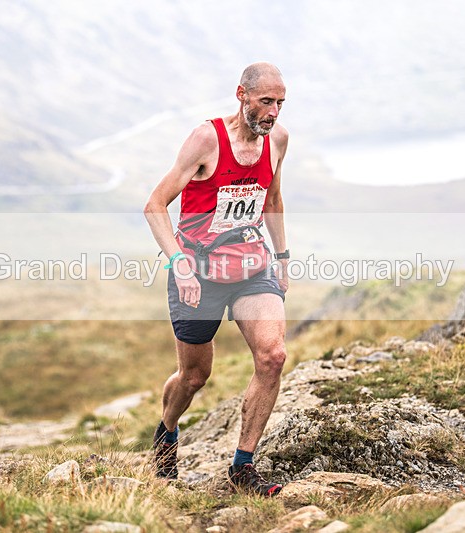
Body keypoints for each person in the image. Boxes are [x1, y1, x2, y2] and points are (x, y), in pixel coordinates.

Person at [143, 62, 290, 497]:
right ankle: (166, 431)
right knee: (193, 377)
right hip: (199, 271)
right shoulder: (207, 139)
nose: (273, 113)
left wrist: (281, 258)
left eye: (281, 103)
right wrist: (178, 264)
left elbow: (273, 198)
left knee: (273, 356)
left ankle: (243, 466)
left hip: (250, 266)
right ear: (241, 95)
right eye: (266, 102)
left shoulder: (278, 140)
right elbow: (155, 205)